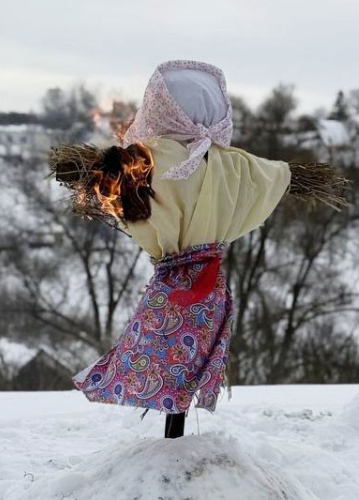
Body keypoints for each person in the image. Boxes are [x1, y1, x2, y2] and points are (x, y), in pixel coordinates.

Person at [72, 60, 291, 438]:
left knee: (158, 355)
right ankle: (176, 430)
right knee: (193, 362)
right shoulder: (237, 168)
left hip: (174, 288)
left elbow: (122, 197)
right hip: (210, 293)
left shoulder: (145, 161)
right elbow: (278, 177)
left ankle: (171, 439)